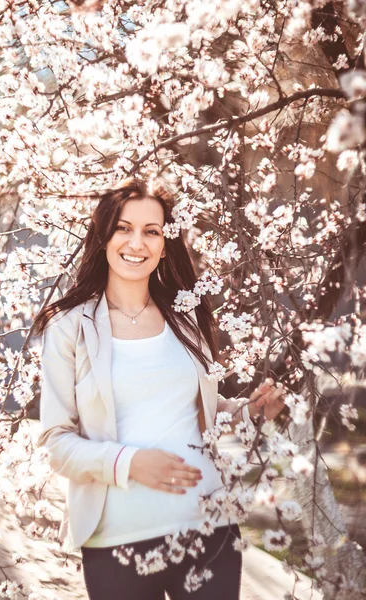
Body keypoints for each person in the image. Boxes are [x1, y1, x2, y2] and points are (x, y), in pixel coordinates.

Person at [34, 177, 285, 599]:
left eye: (151, 231)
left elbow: (200, 407)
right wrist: (129, 463)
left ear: (166, 243)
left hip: (210, 529)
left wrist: (249, 412)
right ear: (103, 237)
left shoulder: (186, 319)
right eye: (123, 228)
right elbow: (56, 443)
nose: (137, 242)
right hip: (117, 540)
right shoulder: (69, 327)